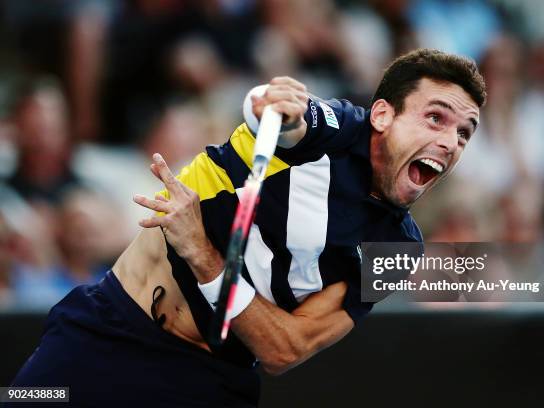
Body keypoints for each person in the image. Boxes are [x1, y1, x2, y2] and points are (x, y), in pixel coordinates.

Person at [9, 49, 485, 407]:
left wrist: (204, 258)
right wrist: (265, 102)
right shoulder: (338, 128)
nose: (449, 142)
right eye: (435, 117)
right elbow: (284, 116)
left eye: (464, 132)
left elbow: (286, 348)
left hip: (208, 380)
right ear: (382, 115)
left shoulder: (397, 250)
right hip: (107, 333)